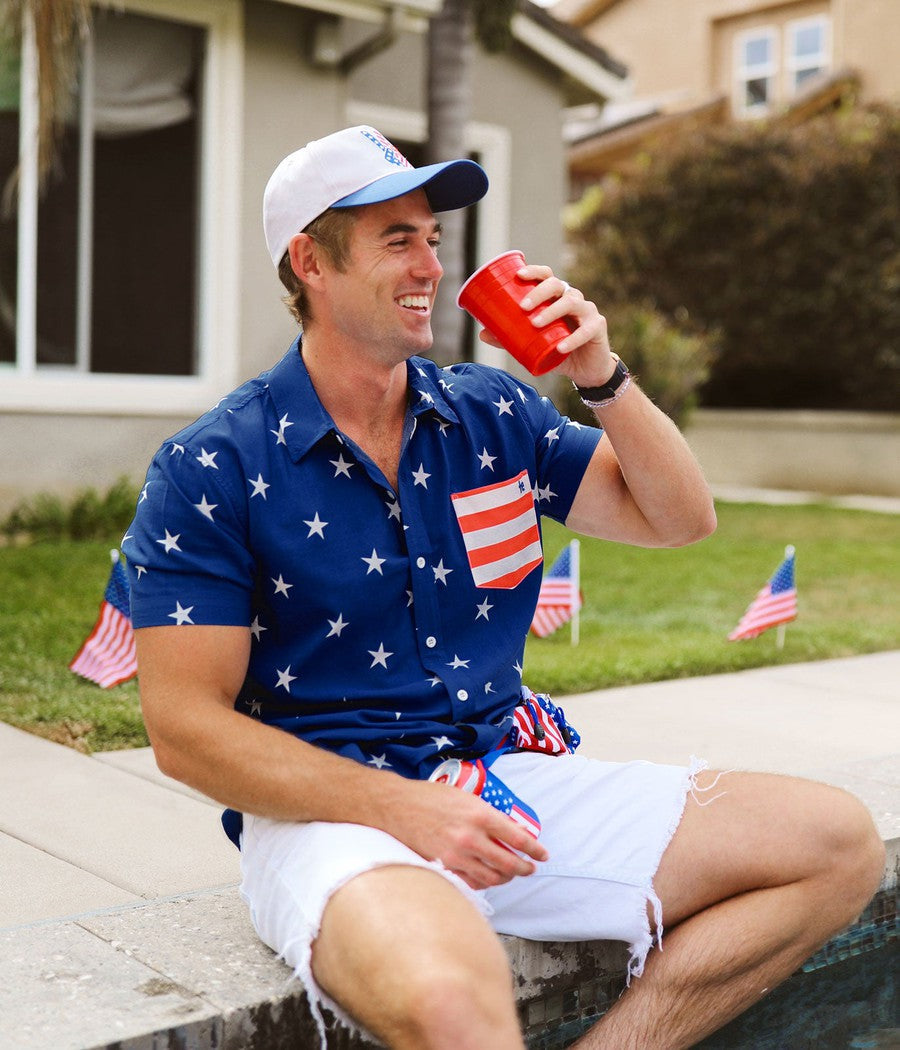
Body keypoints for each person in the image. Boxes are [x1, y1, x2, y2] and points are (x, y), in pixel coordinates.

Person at [123, 125, 884, 1050]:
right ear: (311, 262)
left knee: (836, 846)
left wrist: (600, 374)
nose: (431, 267)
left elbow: (680, 518)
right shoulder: (211, 464)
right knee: (455, 1000)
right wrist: (406, 808)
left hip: (502, 781)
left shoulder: (490, 411)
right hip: (332, 811)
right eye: (397, 240)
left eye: (433, 238)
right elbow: (184, 731)